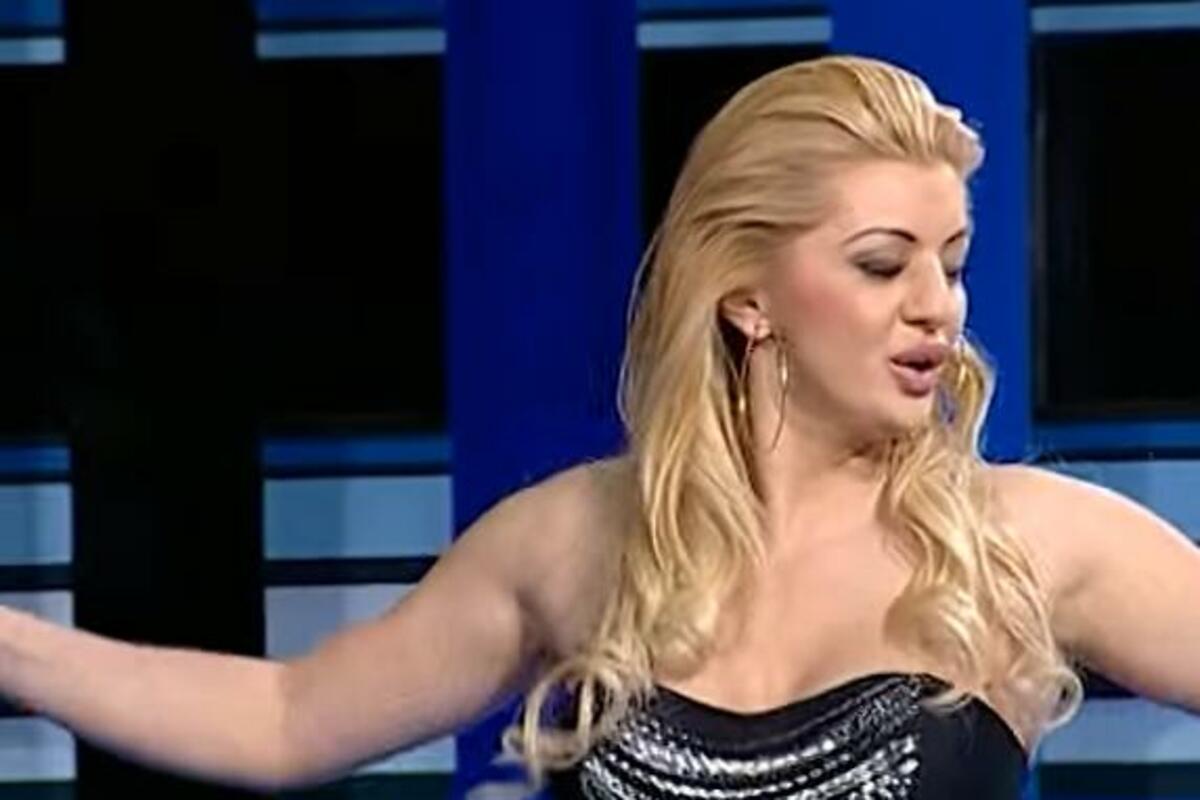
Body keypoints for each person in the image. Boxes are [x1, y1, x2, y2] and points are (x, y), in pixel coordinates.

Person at [0, 54, 1198, 799]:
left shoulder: (1023, 542)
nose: (939, 306)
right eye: (884, 264)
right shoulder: (577, 540)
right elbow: (287, 719)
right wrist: (18, 650)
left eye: (954, 261)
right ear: (748, 296)